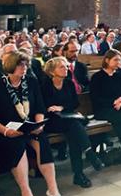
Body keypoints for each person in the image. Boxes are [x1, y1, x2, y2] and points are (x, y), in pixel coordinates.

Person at [0, 51, 62, 196]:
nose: (24, 68)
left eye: (26, 65)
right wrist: (6, 131)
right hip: (9, 130)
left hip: (30, 126)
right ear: (11, 66)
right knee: (17, 146)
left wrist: (39, 124)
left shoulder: (31, 82)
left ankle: (52, 188)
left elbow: (40, 106)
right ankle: (26, 193)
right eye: (21, 65)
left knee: (42, 141)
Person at [40, 57, 104, 188]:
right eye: (61, 67)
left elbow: (75, 102)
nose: (66, 69)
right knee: (75, 127)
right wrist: (56, 108)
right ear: (52, 72)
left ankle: (79, 174)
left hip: (68, 118)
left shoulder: (68, 83)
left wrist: (61, 107)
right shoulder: (45, 85)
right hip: (51, 121)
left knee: (73, 132)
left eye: (66, 66)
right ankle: (88, 157)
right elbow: (43, 106)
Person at [89, 49, 121, 170]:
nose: (119, 62)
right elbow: (96, 98)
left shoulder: (120, 76)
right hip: (104, 109)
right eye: (116, 59)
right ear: (107, 60)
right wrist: (114, 102)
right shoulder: (97, 77)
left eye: (120, 59)